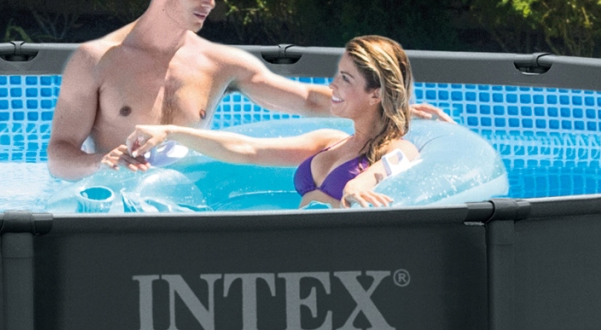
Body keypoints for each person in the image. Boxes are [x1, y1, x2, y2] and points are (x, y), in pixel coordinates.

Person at [48, 0, 378, 178]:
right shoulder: (96, 61)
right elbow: (59, 155)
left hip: (186, 203)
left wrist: (384, 106)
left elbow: (306, 99)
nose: (210, 2)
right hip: (120, 207)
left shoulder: (217, 63)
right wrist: (100, 162)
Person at [104, 35, 420, 208]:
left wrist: (357, 185)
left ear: (375, 94)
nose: (332, 85)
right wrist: (170, 132)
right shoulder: (329, 141)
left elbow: (386, 169)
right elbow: (248, 149)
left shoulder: (397, 150)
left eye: (346, 79)